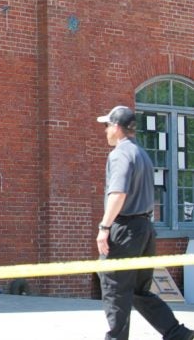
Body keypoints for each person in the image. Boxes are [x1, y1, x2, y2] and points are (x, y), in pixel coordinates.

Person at [95, 106, 194, 340]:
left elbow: (118, 193)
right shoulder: (142, 154)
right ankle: (176, 333)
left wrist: (104, 227)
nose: (105, 131)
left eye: (107, 125)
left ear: (117, 128)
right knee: (139, 290)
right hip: (145, 229)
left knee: (114, 289)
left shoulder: (120, 154)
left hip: (124, 230)